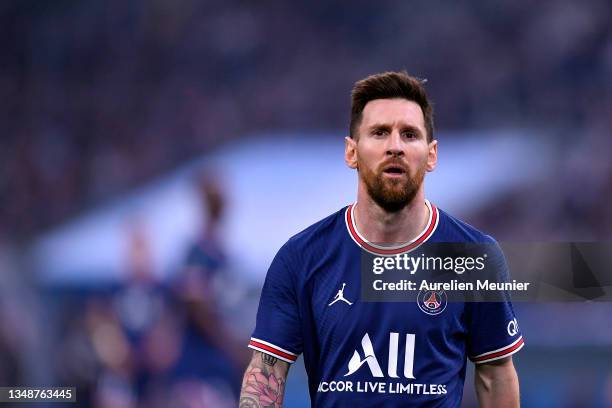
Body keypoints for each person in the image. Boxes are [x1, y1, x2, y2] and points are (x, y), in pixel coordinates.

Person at [239, 71, 523, 407]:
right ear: (352, 152)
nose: (395, 147)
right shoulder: (302, 257)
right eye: (379, 133)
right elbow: (266, 375)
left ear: (431, 155)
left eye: (409, 135)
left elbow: (495, 375)